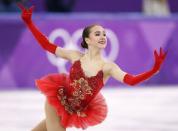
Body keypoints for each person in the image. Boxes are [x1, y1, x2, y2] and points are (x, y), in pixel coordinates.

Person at [17, 3, 167, 131]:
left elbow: (131, 80)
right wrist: (29, 23)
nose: (102, 37)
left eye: (104, 34)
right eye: (97, 34)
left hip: (73, 110)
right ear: (87, 40)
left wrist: (153, 70)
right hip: (57, 101)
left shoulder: (108, 67)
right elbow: (47, 45)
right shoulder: (75, 56)